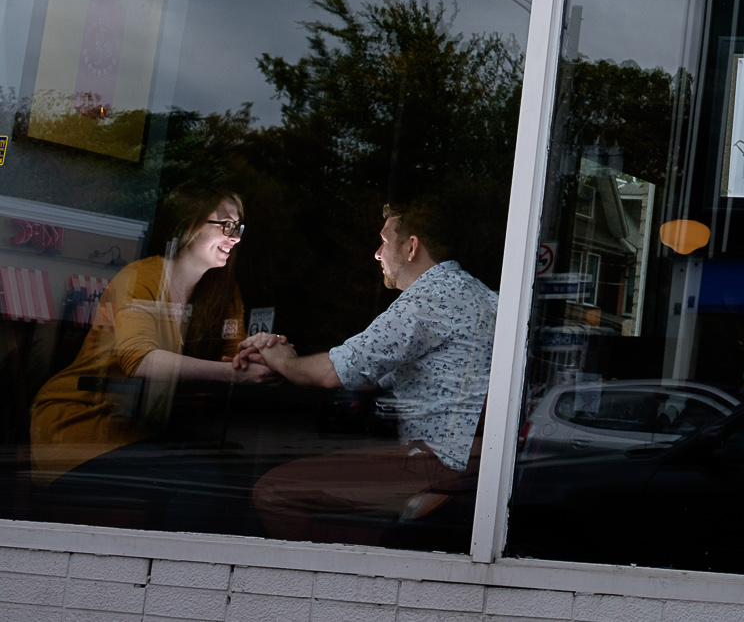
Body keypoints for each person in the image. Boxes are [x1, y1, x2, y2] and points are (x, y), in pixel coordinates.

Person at [240, 199, 497, 541]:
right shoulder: (481, 295)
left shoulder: (428, 299)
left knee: (275, 492)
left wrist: (280, 359)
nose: (377, 253)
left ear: (411, 247)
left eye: (384, 241)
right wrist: (289, 363)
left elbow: (335, 373)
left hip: (436, 466)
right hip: (472, 464)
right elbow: (369, 377)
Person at [31, 185, 274, 530]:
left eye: (239, 228)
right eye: (226, 225)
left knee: (237, 475)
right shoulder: (141, 277)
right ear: (190, 225)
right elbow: (139, 359)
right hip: (83, 429)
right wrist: (237, 373)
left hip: (143, 431)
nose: (235, 237)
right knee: (204, 481)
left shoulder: (223, 291)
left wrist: (263, 350)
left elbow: (232, 356)